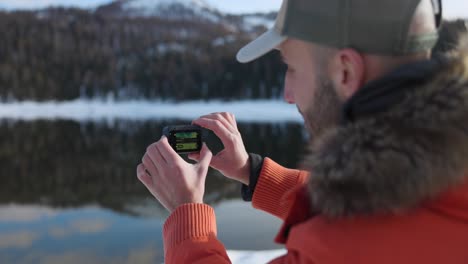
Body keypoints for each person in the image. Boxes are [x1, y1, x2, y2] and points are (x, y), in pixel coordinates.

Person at [137, 0, 468, 263]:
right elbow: (372, 199)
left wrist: (186, 213)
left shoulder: (342, 248)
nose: (288, 94)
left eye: (291, 69)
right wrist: (252, 173)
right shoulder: (440, 171)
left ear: (345, 72)